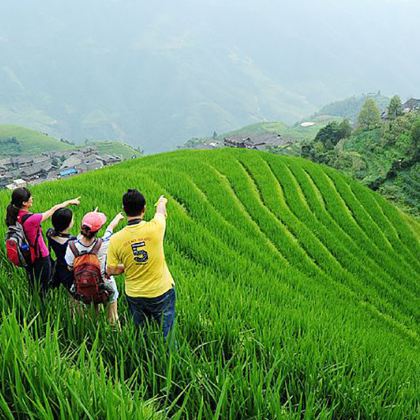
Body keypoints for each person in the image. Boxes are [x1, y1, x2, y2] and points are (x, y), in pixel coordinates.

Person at [106, 189, 175, 339]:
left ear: (124, 210)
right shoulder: (155, 227)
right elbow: (161, 213)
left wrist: (127, 266)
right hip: (161, 291)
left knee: (142, 334)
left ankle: (143, 356)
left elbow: (110, 269)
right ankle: (169, 358)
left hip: (135, 294)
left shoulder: (116, 239)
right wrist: (162, 202)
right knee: (167, 334)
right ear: (144, 208)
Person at [5, 187, 80, 298]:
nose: (32, 198)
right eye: (30, 198)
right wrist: (69, 202)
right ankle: (42, 305)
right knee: (44, 285)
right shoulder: (31, 219)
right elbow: (53, 210)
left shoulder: (15, 216)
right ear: (24, 203)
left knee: (34, 281)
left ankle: (35, 298)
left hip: (27, 255)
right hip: (40, 257)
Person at [65, 210, 124, 325]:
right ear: (98, 230)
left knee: (93, 314)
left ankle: (94, 332)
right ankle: (114, 334)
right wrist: (117, 218)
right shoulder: (105, 243)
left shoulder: (72, 246)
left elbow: (70, 267)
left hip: (83, 286)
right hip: (105, 286)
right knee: (113, 317)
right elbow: (109, 230)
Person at [46, 208, 76, 294]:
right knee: (74, 294)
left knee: (53, 289)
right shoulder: (72, 241)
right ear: (68, 224)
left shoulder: (49, 233)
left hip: (58, 266)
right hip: (69, 270)